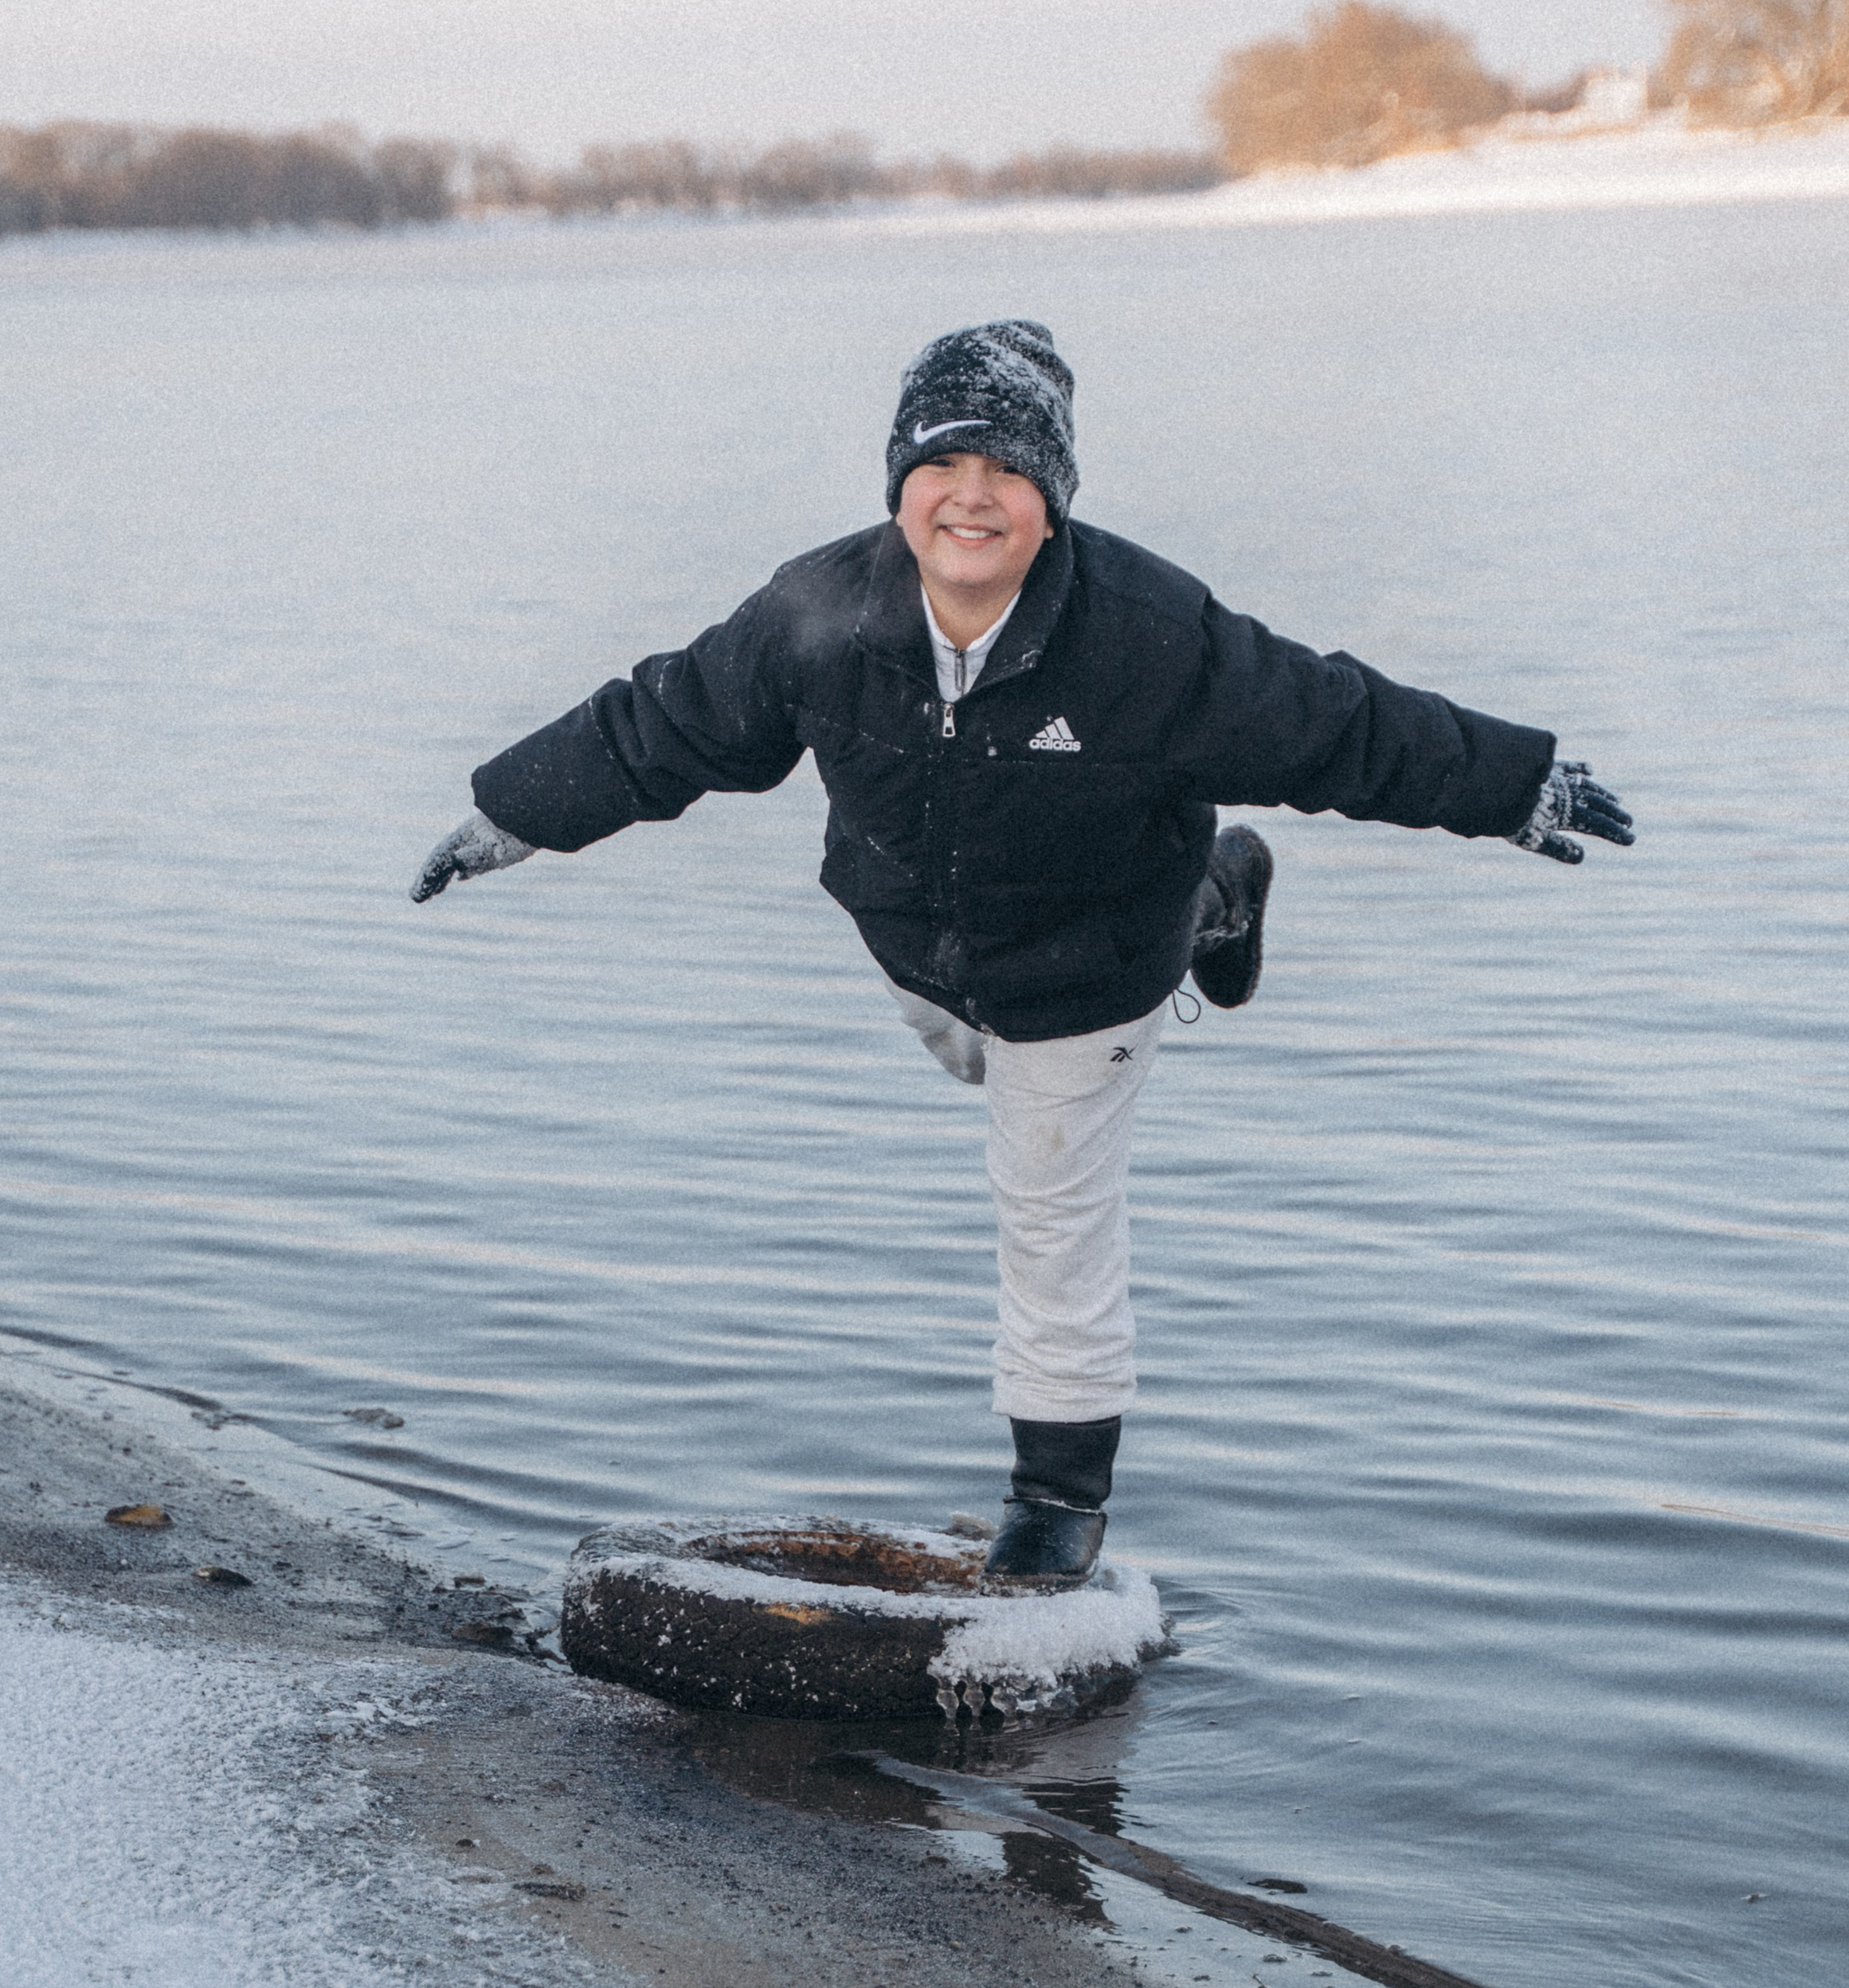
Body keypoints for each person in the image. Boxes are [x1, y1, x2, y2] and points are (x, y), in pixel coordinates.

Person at [413, 320, 1633, 1588]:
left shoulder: (1150, 639)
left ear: (1052, 502)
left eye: (1008, 469)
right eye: (944, 465)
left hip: (1083, 966)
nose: (973, 495)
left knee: (1050, 1209)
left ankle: (1056, 1500)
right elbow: (660, 723)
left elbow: (1338, 723)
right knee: (978, 1075)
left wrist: (1518, 782)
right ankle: (1219, 898)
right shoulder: (818, 616)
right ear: (900, 488)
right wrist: (508, 815)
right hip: (916, 948)